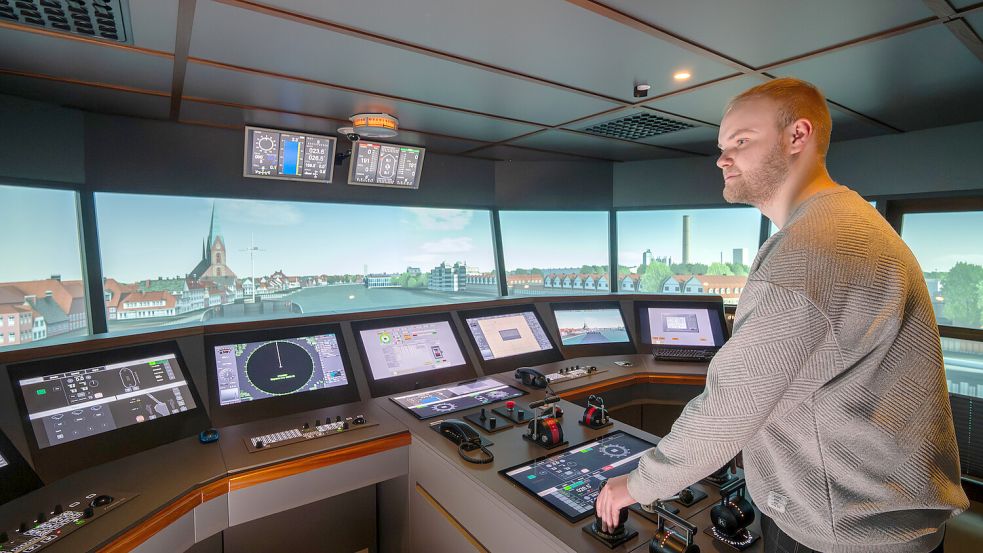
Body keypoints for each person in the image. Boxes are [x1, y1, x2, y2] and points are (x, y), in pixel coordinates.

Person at [595, 77, 969, 553]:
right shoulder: (854, 220)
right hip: (884, 521)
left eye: (742, 141)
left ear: (798, 136)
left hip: (839, 533)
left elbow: (730, 409)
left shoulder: (807, 250)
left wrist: (636, 485)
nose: (722, 158)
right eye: (722, 145)